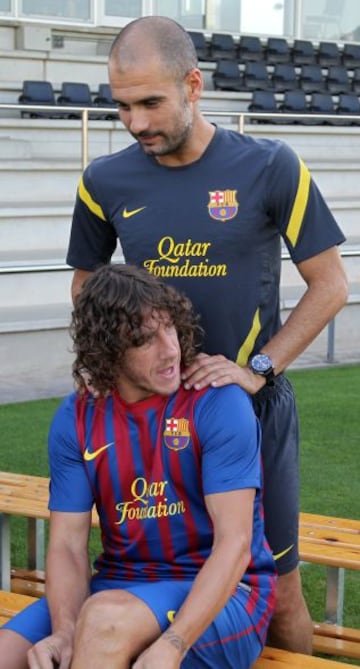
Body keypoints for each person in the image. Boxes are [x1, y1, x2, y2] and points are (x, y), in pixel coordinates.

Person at [65, 16, 348, 654]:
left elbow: (331, 284)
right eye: (121, 106)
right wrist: (113, 368)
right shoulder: (104, 181)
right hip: (152, 422)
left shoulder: (270, 166)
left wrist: (259, 369)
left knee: (278, 591)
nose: (135, 123)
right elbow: (86, 289)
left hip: (248, 412)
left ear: (193, 85)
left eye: (150, 103)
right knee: (159, 584)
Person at [0, 263, 276, 669]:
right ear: (108, 351)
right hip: (118, 587)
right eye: (145, 340)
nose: (170, 349)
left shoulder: (217, 402)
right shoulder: (78, 417)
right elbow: (67, 546)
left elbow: (234, 546)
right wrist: (63, 630)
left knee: (104, 623)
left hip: (226, 596)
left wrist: (174, 643)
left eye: (169, 328)